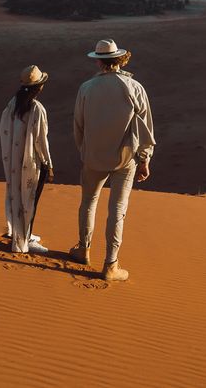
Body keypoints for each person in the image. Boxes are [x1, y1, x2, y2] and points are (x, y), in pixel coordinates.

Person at [71, 39, 155, 282]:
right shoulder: (134, 87)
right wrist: (144, 159)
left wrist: (85, 151)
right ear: (118, 60)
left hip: (92, 158)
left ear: (98, 61)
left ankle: (83, 250)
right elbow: (146, 128)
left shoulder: (86, 88)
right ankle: (111, 264)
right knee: (117, 211)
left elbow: (78, 125)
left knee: (88, 202)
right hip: (125, 159)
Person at [0, 64, 55, 254]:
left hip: (13, 162)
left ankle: (20, 233)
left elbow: (3, 131)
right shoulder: (37, 108)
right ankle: (24, 240)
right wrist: (48, 163)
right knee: (29, 200)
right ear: (39, 87)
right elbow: (41, 140)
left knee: (16, 196)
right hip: (30, 162)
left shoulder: (12, 104)